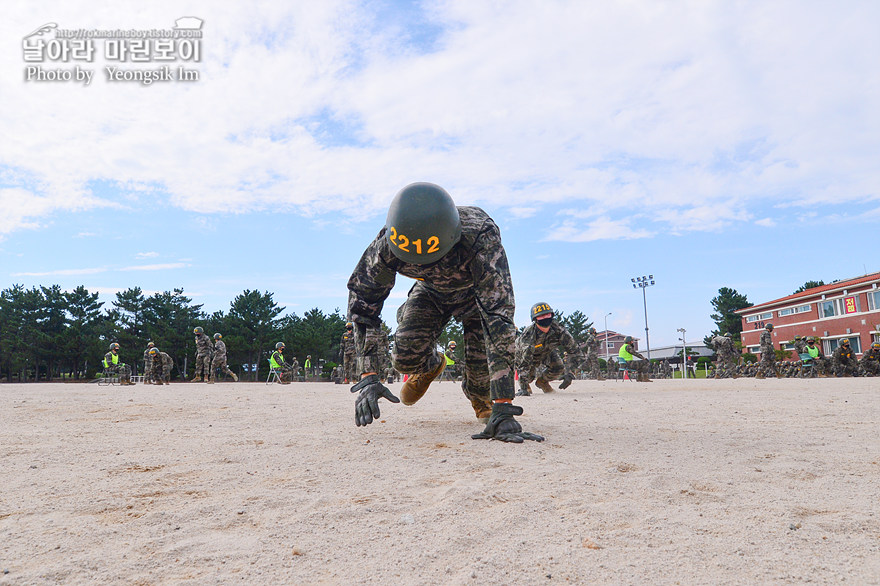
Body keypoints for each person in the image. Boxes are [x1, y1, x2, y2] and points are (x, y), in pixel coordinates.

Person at [346, 182, 542, 442]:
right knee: (404, 354)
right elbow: (362, 306)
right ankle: (431, 365)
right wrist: (368, 376)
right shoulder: (386, 246)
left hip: (474, 295)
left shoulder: (480, 236)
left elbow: (498, 316)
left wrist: (503, 404)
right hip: (430, 293)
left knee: (481, 380)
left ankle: (484, 403)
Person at [515, 302, 586, 395]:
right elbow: (524, 363)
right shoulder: (529, 335)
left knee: (558, 367)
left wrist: (570, 374)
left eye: (547, 315)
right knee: (529, 376)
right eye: (541, 317)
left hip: (546, 352)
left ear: (551, 315)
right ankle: (526, 385)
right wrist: (523, 388)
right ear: (535, 320)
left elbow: (576, 353)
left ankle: (542, 382)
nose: (545, 318)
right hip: (524, 355)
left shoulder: (559, 330)